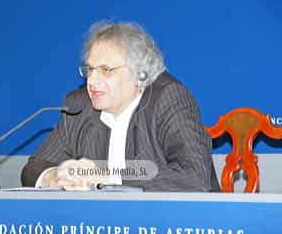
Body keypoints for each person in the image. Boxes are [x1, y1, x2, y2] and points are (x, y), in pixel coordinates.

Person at [21, 21, 220, 192]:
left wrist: (108, 178)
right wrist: (55, 176)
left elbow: (194, 175)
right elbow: (33, 168)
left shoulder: (168, 99)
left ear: (140, 74)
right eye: (90, 69)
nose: (92, 81)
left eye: (106, 70)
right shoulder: (78, 106)